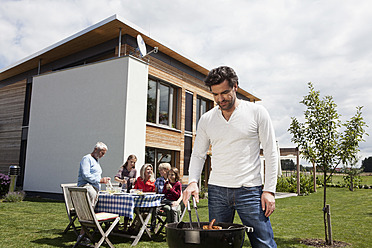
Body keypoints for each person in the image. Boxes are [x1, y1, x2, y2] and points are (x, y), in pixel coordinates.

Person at [182, 66, 278, 248]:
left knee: (264, 244)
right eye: (215, 94)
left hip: (249, 190)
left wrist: (269, 190)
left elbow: (271, 152)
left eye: (224, 93)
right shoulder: (207, 119)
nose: (220, 99)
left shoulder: (257, 113)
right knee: (219, 244)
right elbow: (198, 154)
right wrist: (193, 181)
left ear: (235, 86)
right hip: (217, 191)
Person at [77, 141, 111, 245]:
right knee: (89, 212)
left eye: (104, 153)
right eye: (102, 153)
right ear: (96, 149)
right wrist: (100, 180)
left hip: (94, 189)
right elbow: (86, 175)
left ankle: (88, 233)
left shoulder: (96, 160)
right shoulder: (87, 159)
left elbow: (95, 175)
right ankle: (83, 235)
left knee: (95, 209)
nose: (103, 155)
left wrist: (103, 180)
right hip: (86, 189)